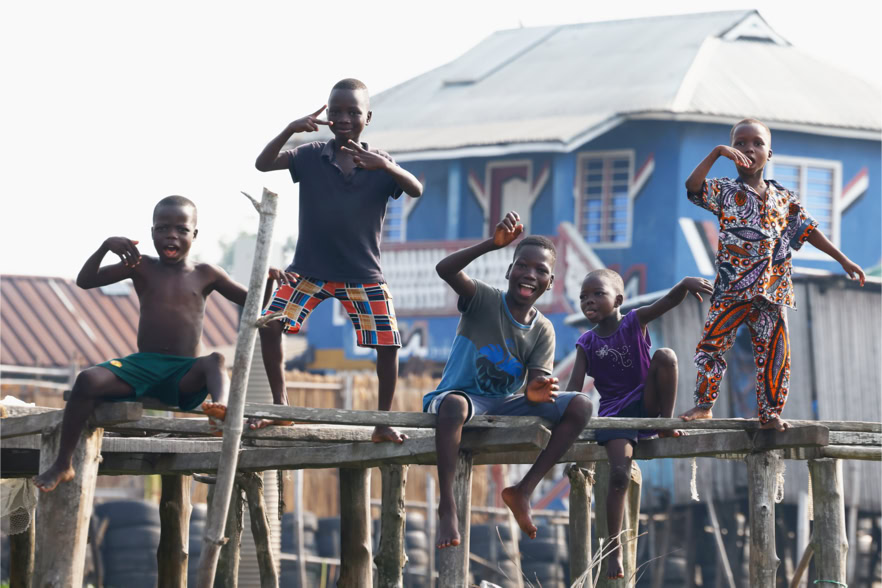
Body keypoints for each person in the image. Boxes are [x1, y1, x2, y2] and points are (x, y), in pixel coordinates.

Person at [33, 196, 284, 492]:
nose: (171, 236)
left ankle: (221, 411)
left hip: (184, 374)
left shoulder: (207, 273)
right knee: (86, 380)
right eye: (163, 228)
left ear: (194, 234)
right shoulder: (140, 266)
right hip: (144, 367)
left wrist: (269, 280)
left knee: (214, 360)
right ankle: (63, 464)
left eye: (181, 229)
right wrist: (105, 247)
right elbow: (85, 281)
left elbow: (257, 305)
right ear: (152, 232)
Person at [254, 78, 423, 442]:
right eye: (336, 111)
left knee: (388, 343)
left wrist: (386, 167)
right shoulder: (311, 155)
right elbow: (263, 164)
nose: (343, 118)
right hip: (308, 269)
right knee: (269, 323)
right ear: (327, 115)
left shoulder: (380, 164)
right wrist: (290, 129)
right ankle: (280, 408)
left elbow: (415, 188)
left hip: (361, 272)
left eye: (352, 112)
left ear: (368, 117)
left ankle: (382, 422)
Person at [678, 118, 865, 431]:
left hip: (773, 290)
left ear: (769, 153)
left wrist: (843, 260)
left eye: (757, 143)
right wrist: (716, 152)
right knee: (712, 346)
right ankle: (704, 405)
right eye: (740, 143)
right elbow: (692, 186)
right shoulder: (724, 191)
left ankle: (770, 414)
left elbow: (809, 231)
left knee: (776, 353)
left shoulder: (784, 198)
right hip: (732, 288)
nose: (748, 149)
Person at [425, 211, 593, 549]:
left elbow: (536, 386)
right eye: (522, 265)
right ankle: (447, 506)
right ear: (509, 271)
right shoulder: (483, 299)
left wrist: (537, 393)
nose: (530, 274)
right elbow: (445, 269)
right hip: (460, 398)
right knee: (455, 405)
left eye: (540, 270)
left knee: (581, 405)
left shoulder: (543, 329)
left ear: (550, 282)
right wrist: (492, 243)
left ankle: (523, 491)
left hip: (504, 404)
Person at [565, 269, 711, 579]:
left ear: (618, 300)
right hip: (615, 416)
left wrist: (684, 284)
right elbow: (573, 390)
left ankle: (665, 424)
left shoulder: (634, 321)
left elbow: (667, 302)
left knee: (666, 356)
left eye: (597, 294)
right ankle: (613, 550)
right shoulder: (586, 343)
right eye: (583, 297)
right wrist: (559, 412)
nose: (588, 301)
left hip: (647, 403)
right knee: (619, 476)